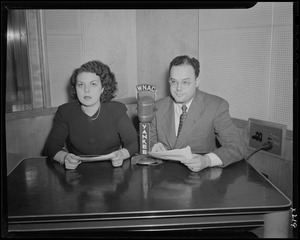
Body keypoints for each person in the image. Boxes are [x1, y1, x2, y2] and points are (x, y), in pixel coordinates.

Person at [150, 55, 248, 172]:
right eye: (174, 82)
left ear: (197, 82)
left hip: (201, 179)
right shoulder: (157, 107)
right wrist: (153, 149)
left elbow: (238, 146)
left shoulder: (216, 106)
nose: (178, 88)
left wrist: (207, 160)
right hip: (163, 178)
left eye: (185, 82)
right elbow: (147, 145)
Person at [45, 60, 138, 169]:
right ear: (75, 88)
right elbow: (51, 147)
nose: (86, 90)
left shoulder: (117, 110)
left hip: (114, 169)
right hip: (78, 171)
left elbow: (133, 143)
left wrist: (121, 155)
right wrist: (65, 157)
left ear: (103, 88)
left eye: (93, 84)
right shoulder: (65, 112)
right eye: (80, 85)